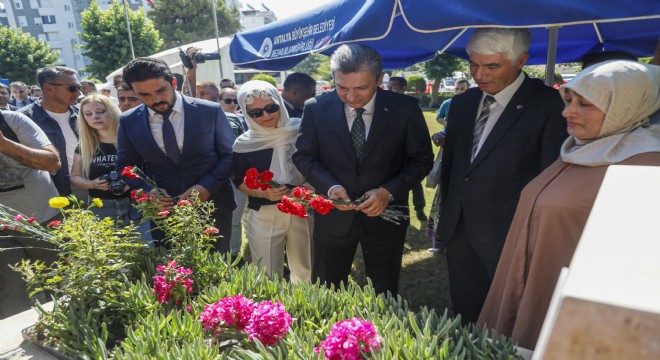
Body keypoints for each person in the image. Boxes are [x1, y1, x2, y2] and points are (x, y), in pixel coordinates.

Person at [479, 60, 660, 349]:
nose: (567, 112)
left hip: (575, 311)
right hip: (529, 285)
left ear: (626, 105)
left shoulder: (646, 167)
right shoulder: (581, 148)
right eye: (568, 100)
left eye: (585, 104)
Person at [437, 28, 567, 324]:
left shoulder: (549, 105)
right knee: (466, 315)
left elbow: (550, 178)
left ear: (521, 60)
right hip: (460, 229)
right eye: (473, 64)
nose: (478, 74)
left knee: (510, 321)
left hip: (511, 234)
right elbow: (454, 167)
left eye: (491, 66)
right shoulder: (463, 103)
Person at [293, 44, 434, 296]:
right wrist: (330, 186)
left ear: (380, 79)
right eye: (342, 87)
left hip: (387, 215)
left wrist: (388, 192)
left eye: (361, 88)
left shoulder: (405, 109)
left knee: (384, 291)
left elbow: (421, 160)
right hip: (333, 216)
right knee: (326, 289)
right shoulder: (315, 108)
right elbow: (304, 156)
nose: (351, 96)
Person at [115, 57, 236, 252]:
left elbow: (230, 154)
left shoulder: (209, 111)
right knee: (174, 275)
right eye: (144, 95)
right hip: (163, 213)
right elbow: (125, 167)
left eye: (161, 91)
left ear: (173, 82)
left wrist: (206, 186)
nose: (156, 100)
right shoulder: (129, 120)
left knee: (216, 272)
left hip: (214, 206)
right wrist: (149, 191)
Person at [232, 80, 312, 282]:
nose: (266, 115)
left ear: (279, 103)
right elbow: (239, 181)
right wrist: (262, 192)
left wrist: (306, 190)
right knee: (266, 274)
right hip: (264, 213)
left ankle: (307, 311)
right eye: (256, 113)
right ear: (246, 114)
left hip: (301, 209)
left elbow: (317, 165)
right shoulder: (243, 144)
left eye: (271, 108)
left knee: (306, 270)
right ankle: (271, 313)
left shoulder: (301, 131)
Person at [0, 110, 61, 319]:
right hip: (2, 229)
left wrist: (5, 144)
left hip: (43, 219)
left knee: (59, 284)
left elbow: (52, 162)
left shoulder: (13, 120)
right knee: (10, 294)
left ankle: (68, 334)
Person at [19, 66, 82, 197]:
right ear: (49, 88)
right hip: (49, 194)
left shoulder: (84, 113)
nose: (78, 93)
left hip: (86, 188)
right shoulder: (23, 119)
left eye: (79, 87)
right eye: (72, 88)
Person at [69, 95, 130, 225]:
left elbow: (148, 169)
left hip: (134, 202)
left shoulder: (129, 139)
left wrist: (131, 183)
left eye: (100, 112)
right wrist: (92, 184)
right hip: (101, 206)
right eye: (88, 114)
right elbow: (74, 176)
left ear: (112, 111)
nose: (94, 117)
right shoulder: (85, 145)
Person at [427, 78, 471, 253]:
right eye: (458, 89)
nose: (460, 92)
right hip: (450, 172)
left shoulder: (476, 110)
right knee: (443, 203)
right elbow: (440, 122)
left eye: (463, 89)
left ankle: (454, 244)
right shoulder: (448, 104)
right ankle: (440, 242)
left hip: (467, 175)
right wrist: (441, 137)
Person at [386, 76, 427, 222]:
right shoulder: (384, 104)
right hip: (392, 155)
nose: (389, 89)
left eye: (393, 86)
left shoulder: (411, 106)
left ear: (403, 88)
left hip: (409, 154)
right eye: (388, 86)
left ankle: (419, 209)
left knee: (415, 184)